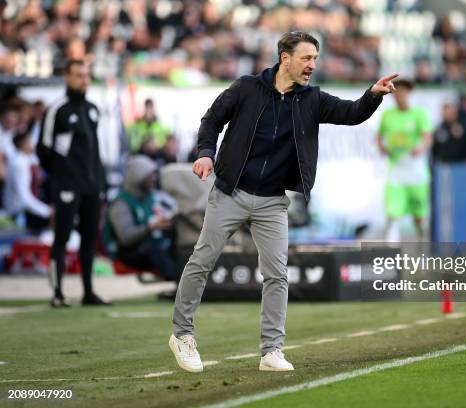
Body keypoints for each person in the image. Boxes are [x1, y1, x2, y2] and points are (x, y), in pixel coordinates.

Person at [169, 31, 397, 373]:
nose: (312, 65)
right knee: (202, 261)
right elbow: (211, 121)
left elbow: (351, 113)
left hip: (272, 202)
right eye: (306, 58)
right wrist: (205, 154)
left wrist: (373, 96)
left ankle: (271, 351)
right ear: (284, 58)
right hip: (230, 192)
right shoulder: (246, 88)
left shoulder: (313, 100)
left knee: (277, 275)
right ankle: (181, 334)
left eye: (316, 59)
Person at [36, 60, 110, 307]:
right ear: (67, 77)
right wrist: (61, 177)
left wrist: (100, 181)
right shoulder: (57, 109)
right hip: (67, 186)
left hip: (91, 186)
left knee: (89, 240)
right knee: (62, 237)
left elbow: (94, 150)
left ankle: (88, 292)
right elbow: (43, 149)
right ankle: (57, 293)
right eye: (78, 75)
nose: (84, 80)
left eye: (87, 75)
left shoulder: (92, 109)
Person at [105, 155, 177, 285]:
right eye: (149, 176)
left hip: (154, 246)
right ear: (137, 176)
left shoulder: (152, 196)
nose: (154, 179)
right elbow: (125, 237)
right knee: (152, 249)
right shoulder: (121, 203)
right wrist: (150, 227)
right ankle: (178, 280)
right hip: (129, 253)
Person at [377, 79, 433, 241]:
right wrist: (382, 147)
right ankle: (392, 254)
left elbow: (427, 137)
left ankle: (422, 245)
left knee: (419, 215)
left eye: (403, 92)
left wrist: (421, 148)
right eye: (396, 93)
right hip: (396, 170)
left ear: (409, 93)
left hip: (415, 171)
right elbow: (380, 137)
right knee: (393, 212)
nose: (399, 96)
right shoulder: (388, 115)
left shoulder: (419, 114)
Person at [3, 132, 52, 233]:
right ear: (22, 145)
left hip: (29, 209)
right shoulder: (19, 164)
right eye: (29, 142)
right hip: (19, 214)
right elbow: (24, 197)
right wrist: (47, 211)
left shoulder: (27, 159)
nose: (32, 144)